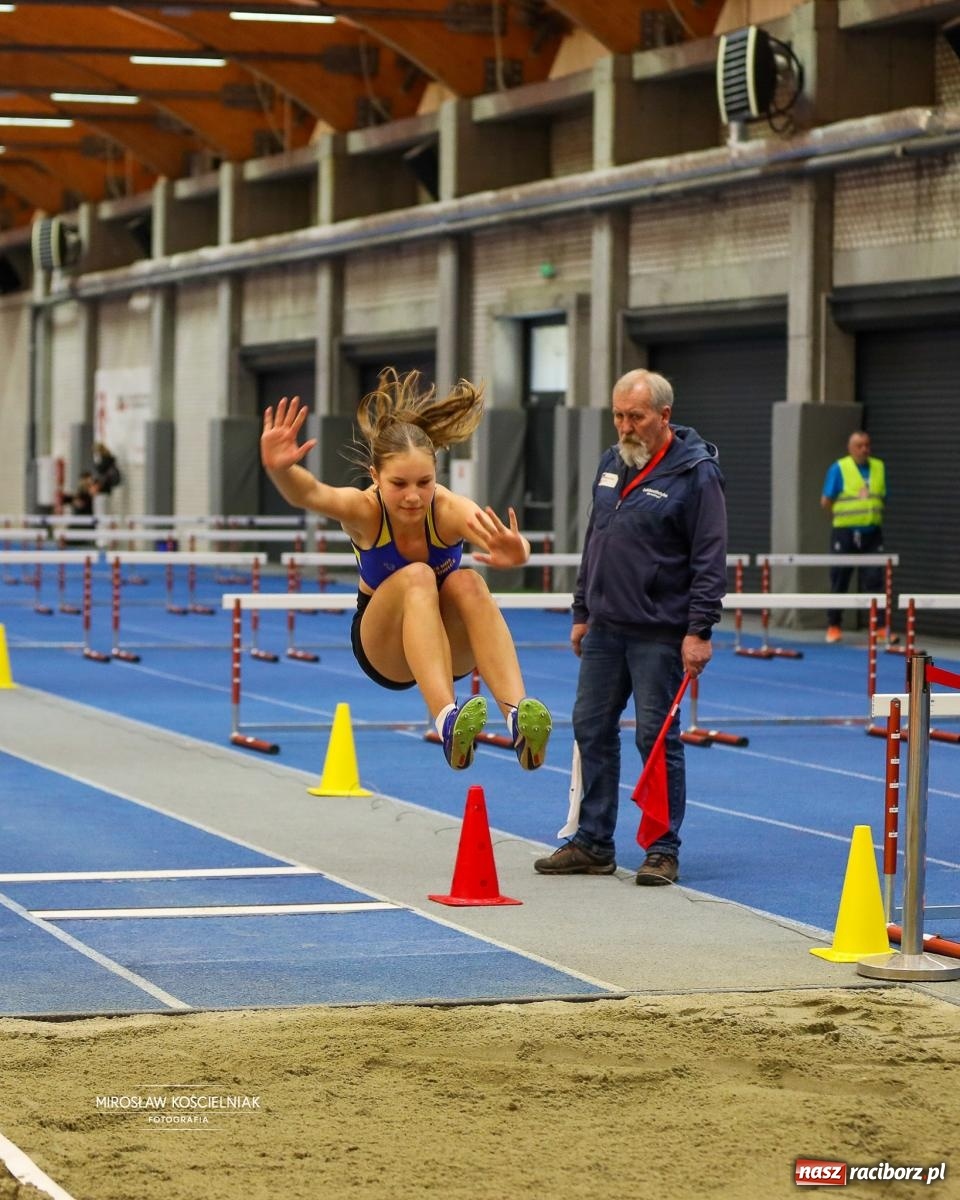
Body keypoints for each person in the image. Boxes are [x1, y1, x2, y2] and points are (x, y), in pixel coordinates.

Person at [259, 368, 552, 772]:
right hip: (384, 648)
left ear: (436, 476)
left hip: (444, 646)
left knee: (468, 581)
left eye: (424, 482)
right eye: (399, 484)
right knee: (418, 576)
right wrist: (281, 470)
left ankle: (518, 717)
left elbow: (503, 539)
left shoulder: (447, 509)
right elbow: (311, 493)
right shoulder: (365, 511)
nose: (413, 497)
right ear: (376, 477)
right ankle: (447, 719)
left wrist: (518, 552)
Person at [534, 368, 727, 886]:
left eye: (635, 417)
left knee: (654, 738)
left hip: (660, 632)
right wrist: (582, 611)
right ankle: (593, 842)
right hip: (604, 627)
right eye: (618, 415)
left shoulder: (697, 473)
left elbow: (710, 557)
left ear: (664, 415)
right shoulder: (611, 461)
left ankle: (662, 849)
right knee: (590, 727)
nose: (624, 426)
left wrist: (700, 630)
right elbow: (595, 539)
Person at [820, 430, 894, 644]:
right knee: (840, 579)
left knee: (875, 580)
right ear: (850, 448)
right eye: (859, 446)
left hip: (872, 533)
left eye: (867, 445)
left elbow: (882, 497)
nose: (864, 449)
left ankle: (880, 627)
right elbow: (826, 501)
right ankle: (834, 625)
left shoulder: (879, 467)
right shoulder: (839, 468)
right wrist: (844, 517)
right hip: (845, 533)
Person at [90, 443, 122, 517]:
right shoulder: (109, 461)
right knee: (105, 512)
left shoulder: (104, 462)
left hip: (102, 491)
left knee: (101, 513)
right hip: (105, 491)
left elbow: (100, 473)